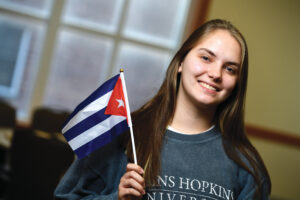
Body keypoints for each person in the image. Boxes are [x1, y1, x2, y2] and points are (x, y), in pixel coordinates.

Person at [54, 19, 271, 200]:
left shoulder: (246, 165)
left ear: (237, 83)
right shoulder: (122, 136)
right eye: (206, 58)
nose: (216, 73)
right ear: (180, 62)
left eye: (230, 69)